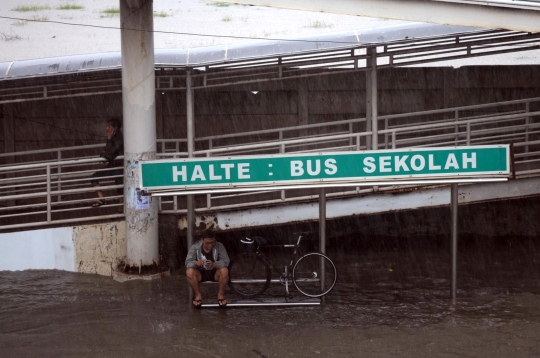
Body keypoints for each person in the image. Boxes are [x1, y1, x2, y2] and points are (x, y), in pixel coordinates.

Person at [185, 229, 230, 308]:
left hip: (215, 273)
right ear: (202, 240)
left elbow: (226, 261)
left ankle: (220, 295)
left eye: (212, 242)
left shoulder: (219, 246)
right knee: (189, 271)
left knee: (224, 270)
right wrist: (195, 263)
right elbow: (187, 263)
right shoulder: (195, 247)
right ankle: (198, 295)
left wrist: (215, 264)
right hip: (200, 274)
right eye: (207, 243)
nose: (210, 245)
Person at [90, 118, 124, 210]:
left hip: (119, 166)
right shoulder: (112, 139)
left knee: (119, 186)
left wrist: (108, 140)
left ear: (115, 128)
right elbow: (107, 153)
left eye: (109, 126)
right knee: (94, 177)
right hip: (112, 165)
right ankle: (101, 199)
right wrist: (105, 153)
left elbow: (109, 154)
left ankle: (120, 209)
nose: (107, 128)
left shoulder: (119, 139)